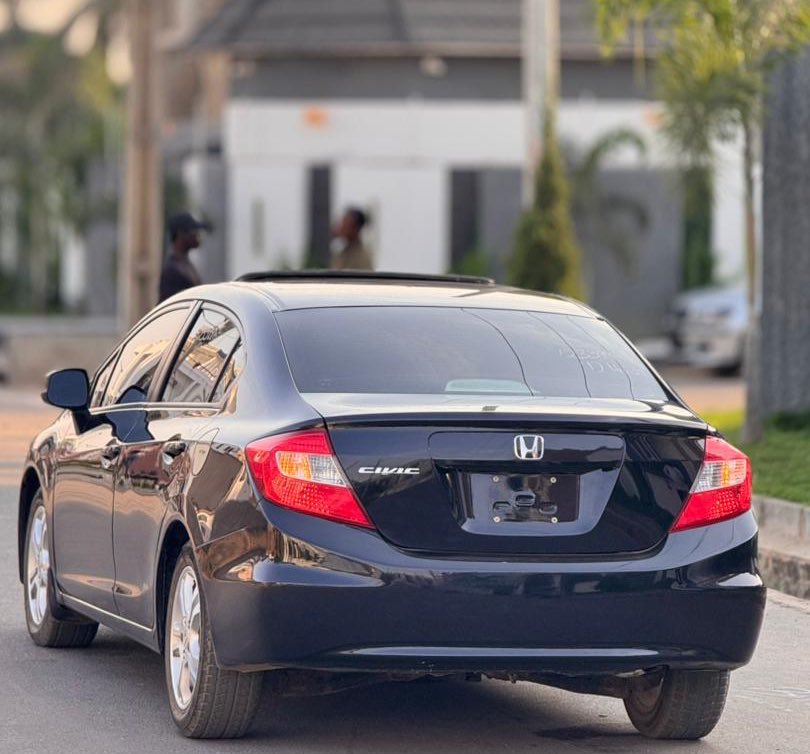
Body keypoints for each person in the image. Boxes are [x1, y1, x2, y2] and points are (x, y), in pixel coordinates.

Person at [159, 212, 212, 302]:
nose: (198, 236)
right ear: (180, 234)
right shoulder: (172, 270)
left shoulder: (186, 264)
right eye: (193, 231)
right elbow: (167, 304)